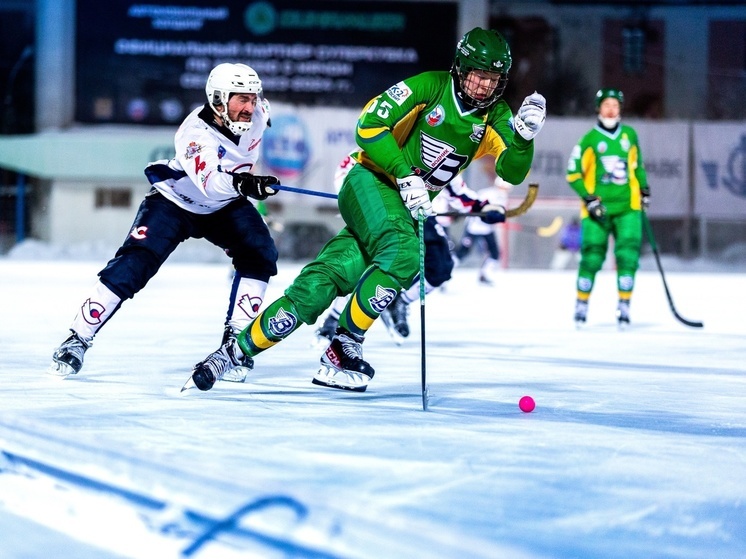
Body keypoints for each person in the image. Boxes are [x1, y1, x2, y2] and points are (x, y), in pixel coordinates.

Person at [187, 27, 546, 393]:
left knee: (321, 285)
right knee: (406, 254)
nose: (484, 86)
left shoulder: (496, 114)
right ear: (460, 67)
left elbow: (511, 171)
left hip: (402, 208)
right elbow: (369, 126)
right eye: (477, 76)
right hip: (370, 182)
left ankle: (232, 353)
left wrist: (524, 138)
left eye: (493, 79)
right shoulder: (428, 87)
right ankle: (344, 347)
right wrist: (405, 175)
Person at [49, 63, 281, 382]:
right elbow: (210, 184)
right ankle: (77, 338)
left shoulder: (259, 112)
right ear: (217, 99)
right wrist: (245, 183)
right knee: (135, 264)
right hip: (177, 202)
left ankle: (235, 345)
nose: (250, 107)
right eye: (242, 99)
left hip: (224, 205)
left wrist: (248, 179)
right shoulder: (194, 133)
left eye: (254, 98)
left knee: (260, 253)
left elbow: (257, 129)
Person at [314, 169, 498, 346]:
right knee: (367, 263)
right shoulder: (389, 140)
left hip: (421, 212)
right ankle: (333, 320)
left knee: (441, 265)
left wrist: (483, 207)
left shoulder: (447, 150)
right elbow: (349, 167)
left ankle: (400, 301)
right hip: (381, 207)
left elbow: (456, 188)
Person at [566, 87, 650, 328]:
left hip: (627, 207)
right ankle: (581, 304)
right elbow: (572, 173)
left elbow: (638, 166)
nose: (611, 109)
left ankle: (624, 305)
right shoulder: (589, 140)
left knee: (628, 255)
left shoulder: (630, 135)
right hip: (597, 210)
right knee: (591, 257)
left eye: (615, 105)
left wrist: (644, 189)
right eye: (607, 105)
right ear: (598, 108)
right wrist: (589, 198)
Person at [453, 176, 512, 285]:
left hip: (487, 229)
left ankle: (485, 275)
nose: (505, 190)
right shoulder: (486, 194)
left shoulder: (503, 198)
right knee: (462, 253)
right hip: (474, 227)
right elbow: (474, 208)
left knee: (495, 254)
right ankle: (446, 272)